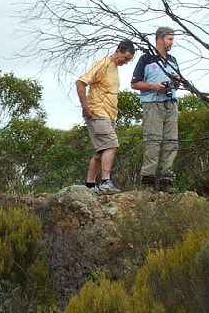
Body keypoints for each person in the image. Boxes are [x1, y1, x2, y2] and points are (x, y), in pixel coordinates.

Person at [76, 40, 137, 195]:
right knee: (111, 144)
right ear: (118, 51)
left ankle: (89, 185)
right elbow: (81, 82)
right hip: (97, 112)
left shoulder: (115, 68)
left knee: (101, 151)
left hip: (110, 115)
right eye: (125, 58)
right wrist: (85, 107)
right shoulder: (103, 64)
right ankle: (105, 181)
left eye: (129, 60)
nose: (125, 62)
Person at [131, 26, 181, 193]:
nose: (172, 42)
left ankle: (167, 179)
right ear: (160, 39)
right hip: (152, 104)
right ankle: (148, 180)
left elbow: (178, 85)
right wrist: (153, 86)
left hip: (171, 103)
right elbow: (134, 83)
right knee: (153, 141)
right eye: (170, 39)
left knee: (171, 141)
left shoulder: (173, 60)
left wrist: (176, 80)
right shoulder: (146, 59)